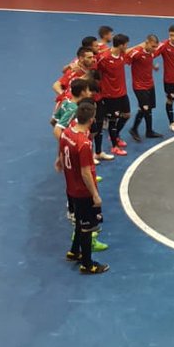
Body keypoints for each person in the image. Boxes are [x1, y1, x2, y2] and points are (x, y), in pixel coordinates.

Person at [57, 100, 109, 274]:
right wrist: (95, 194)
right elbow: (86, 173)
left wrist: (59, 160)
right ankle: (87, 264)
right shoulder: (84, 144)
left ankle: (74, 251)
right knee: (87, 226)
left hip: (70, 187)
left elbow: (61, 148)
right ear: (92, 119)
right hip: (82, 191)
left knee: (79, 220)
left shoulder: (67, 133)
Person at [93, 33, 132, 159]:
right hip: (110, 95)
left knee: (126, 115)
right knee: (113, 120)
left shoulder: (122, 55)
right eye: (126, 45)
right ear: (121, 45)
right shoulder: (103, 57)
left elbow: (132, 51)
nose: (127, 47)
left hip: (122, 93)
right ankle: (115, 146)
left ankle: (114, 135)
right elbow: (93, 70)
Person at [126, 34, 164, 142]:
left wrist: (153, 67)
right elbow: (124, 56)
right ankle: (134, 129)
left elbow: (147, 60)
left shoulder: (152, 52)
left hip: (150, 85)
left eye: (156, 47)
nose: (154, 49)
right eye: (152, 46)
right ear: (146, 43)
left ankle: (149, 131)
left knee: (149, 108)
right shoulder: (137, 53)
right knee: (145, 108)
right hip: (139, 86)